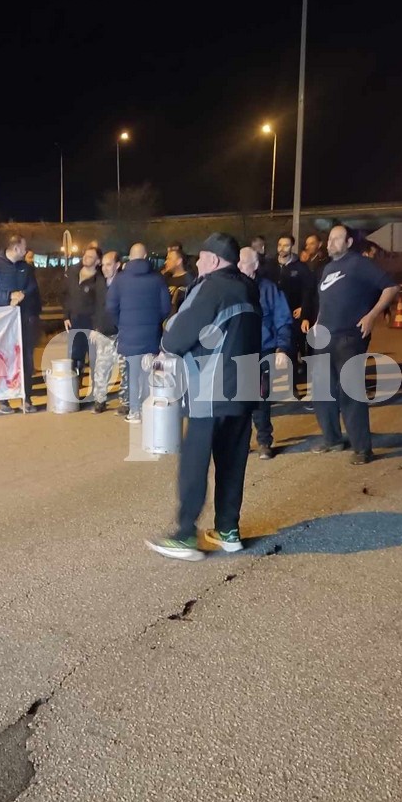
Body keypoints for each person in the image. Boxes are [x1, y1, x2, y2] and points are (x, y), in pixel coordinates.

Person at [147, 233, 261, 561]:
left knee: (195, 464)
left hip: (210, 389)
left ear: (212, 259)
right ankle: (228, 531)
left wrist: (165, 347)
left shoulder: (210, 287)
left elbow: (179, 334)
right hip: (244, 387)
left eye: (200, 258)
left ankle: (185, 535)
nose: (196, 263)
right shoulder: (248, 288)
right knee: (232, 462)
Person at [310, 223, 399, 464]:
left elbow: (391, 288)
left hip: (348, 338)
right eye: (329, 239)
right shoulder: (328, 268)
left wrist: (371, 315)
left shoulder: (359, 263)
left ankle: (362, 448)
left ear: (349, 242)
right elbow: (326, 301)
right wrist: (317, 322)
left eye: (336, 239)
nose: (330, 243)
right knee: (322, 391)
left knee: (351, 393)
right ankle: (332, 439)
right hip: (324, 338)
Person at [107, 243, 171, 422]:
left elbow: (111, 306)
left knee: (133, 374)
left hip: (129, 334)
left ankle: (135, 411)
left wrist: (121, 324)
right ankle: (151, 410)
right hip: (151, 335)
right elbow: (166, 307)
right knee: (151, 373)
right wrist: (155, 321)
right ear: (145, 257)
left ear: (129, 257)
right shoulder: (157, 278)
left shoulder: (120, 279)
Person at [239, 247, 293, 460]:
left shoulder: (269, 289)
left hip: (263, 349)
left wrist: (282, 348)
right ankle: (241, 442)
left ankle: (264, 441)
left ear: (254, 265)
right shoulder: (232, 288)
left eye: (243, 262)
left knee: (261, 397)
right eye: (237, 262)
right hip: (238, 351)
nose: (239, 266)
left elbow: (283, 319)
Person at [0, 234, 41, 413]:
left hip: (24, 319)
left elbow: (32, 288)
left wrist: (23, 296)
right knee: (2, 359)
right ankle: (3, 399)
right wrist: (8, 297)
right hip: (3, 322)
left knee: (26, 359)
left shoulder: (26, 268)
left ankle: (26, 397)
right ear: (16, 248)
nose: (26, 250)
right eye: (24, 247)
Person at [275, 233, 314, 383]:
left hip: (294, 315)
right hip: (276, 316)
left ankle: (296, 381)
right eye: (280, 245)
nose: (282, 248)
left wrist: (304, 309)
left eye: (286, 245)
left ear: (292, 246)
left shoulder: (301, 268)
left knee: (295, 347)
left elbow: (308, 291)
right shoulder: (270, 266)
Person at [89, 250, 123, 414]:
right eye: (103, 265)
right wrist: (96, 327)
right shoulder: (100, 283)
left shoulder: (124, 283)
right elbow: (96, 306)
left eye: (109, 265)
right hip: (103, 333)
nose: (104, 268)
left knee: (125, 370)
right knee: (101, 369)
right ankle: (100, 400)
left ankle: (126, 402)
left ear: (118, 265)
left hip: (121, 333)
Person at [63, 246, 103, 381]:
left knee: (94, 358)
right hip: (74, 321)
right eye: (85, 255)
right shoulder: (73, 273)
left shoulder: (99, 279)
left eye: (90, 256)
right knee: (74, 356)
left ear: (98, 261)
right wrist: (66, 315)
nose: (86, 258)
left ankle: (96, 389)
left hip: (91, 323)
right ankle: (75, 386)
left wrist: (97, 326)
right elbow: (66, 295)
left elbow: (101, 303)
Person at [163, 244, 193, 318]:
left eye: (169, 259)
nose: (165, 262)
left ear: (179, 261)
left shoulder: (189, 280)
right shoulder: (164, 278)